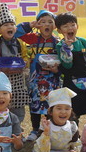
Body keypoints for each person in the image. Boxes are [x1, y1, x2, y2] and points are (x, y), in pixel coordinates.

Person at [15, 10, 61, 141]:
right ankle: (35, 130)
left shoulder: (57, 42)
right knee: (35, 104)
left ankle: (49, 129)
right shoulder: (33, 38)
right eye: (43, 22)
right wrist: (30, 25)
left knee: (51, 105)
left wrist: (56, 70)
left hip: (52, 79)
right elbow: (16, 32)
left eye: (50, 22)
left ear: (55, 26)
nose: (46, 24)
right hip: (35, 79)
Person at [54, 12, 86, 123]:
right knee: (73, 113)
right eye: (65, 26)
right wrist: (67, 48)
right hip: (71, 83)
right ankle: (74, 132)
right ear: (59, 30)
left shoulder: (83, 42)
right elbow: (67, 64)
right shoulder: (60, 45)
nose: (70, 28)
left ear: (77, 26)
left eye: (72, 25)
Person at [0, 3, 30, 123]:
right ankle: (2, 125)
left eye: (12, 24)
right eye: (5, 25)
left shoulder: (20, 43)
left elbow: (25, 57)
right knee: (1, 104)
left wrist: (25, 62)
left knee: (18, 106)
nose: (10, 27)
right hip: (2, 81)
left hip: (18, 81)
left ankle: (17, 126)